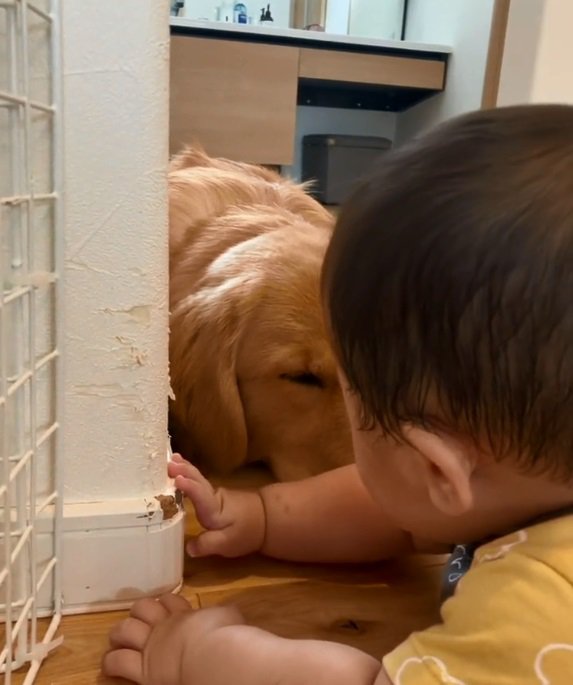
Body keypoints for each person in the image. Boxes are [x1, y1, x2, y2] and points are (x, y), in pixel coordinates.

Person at [102, 104, 573, 684]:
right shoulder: (523, 482)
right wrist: (261, 516)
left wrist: (200, 655)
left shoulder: (539, 613)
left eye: (351, 399)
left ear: (435, 468)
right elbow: (400, 517)